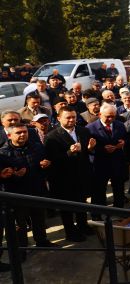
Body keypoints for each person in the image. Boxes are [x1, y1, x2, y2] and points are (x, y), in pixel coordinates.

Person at [0, 124, 59, 254]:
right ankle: (21, 250)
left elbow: (46, 165)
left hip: (37, 190)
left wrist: (46, 165)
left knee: (39, 218)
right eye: (19, 133)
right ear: (10, 135)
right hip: (18, 195)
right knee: (20, 224)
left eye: (25, 132)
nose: (22, 135)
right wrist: (12, 175)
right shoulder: (3, 153)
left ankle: (42, 241)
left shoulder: (36, 147)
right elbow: (2, 176)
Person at [44, 107, 96, 241]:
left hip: (81, 174)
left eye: (73, 117)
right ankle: (70, 232)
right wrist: (70, 152)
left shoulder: (83, 131)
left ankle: (83, 226)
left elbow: (85, 152)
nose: (72, 120)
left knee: (82, 203)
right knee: (67, 208)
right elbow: (53, 160)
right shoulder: (52, 137)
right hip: (64, 178)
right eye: (68, 117)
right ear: (59, 118)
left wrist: (89, 149)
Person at [87, 103, 127, 211]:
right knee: (99, 190)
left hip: (116, 162)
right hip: (100, 163)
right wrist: (100, 148)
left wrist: (122, 144)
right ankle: (98, 213)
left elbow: (125, 139)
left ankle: (119, 211)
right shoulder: (90, 128)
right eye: (107, 116)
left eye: (113, 116)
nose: (110, 119)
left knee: (119, 188)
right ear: (100, 114)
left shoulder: (120, 125)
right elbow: (88, 148)